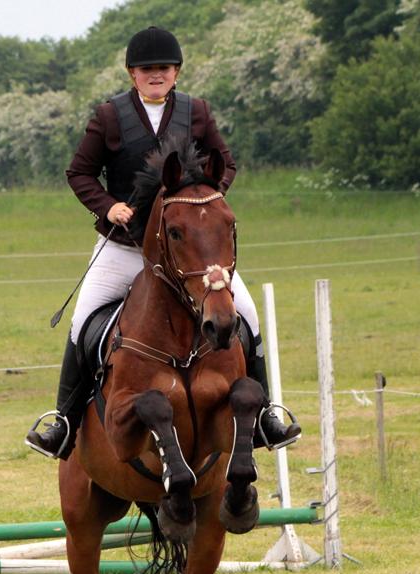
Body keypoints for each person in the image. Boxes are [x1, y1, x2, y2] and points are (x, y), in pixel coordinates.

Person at [25, 25, 300, 459]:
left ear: (176, 73)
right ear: (132, 73)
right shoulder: (110, 116)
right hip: (124, 248)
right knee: (82, 323)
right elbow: (79, 172)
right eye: (147, 69)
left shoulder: (198, 111)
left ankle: (265, 413)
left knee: (246, 314)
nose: (156, 75)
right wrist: (108, 206)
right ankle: (64, 420)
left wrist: (206, 199)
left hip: (189, 253)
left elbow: (225, 163)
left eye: (164, 68)